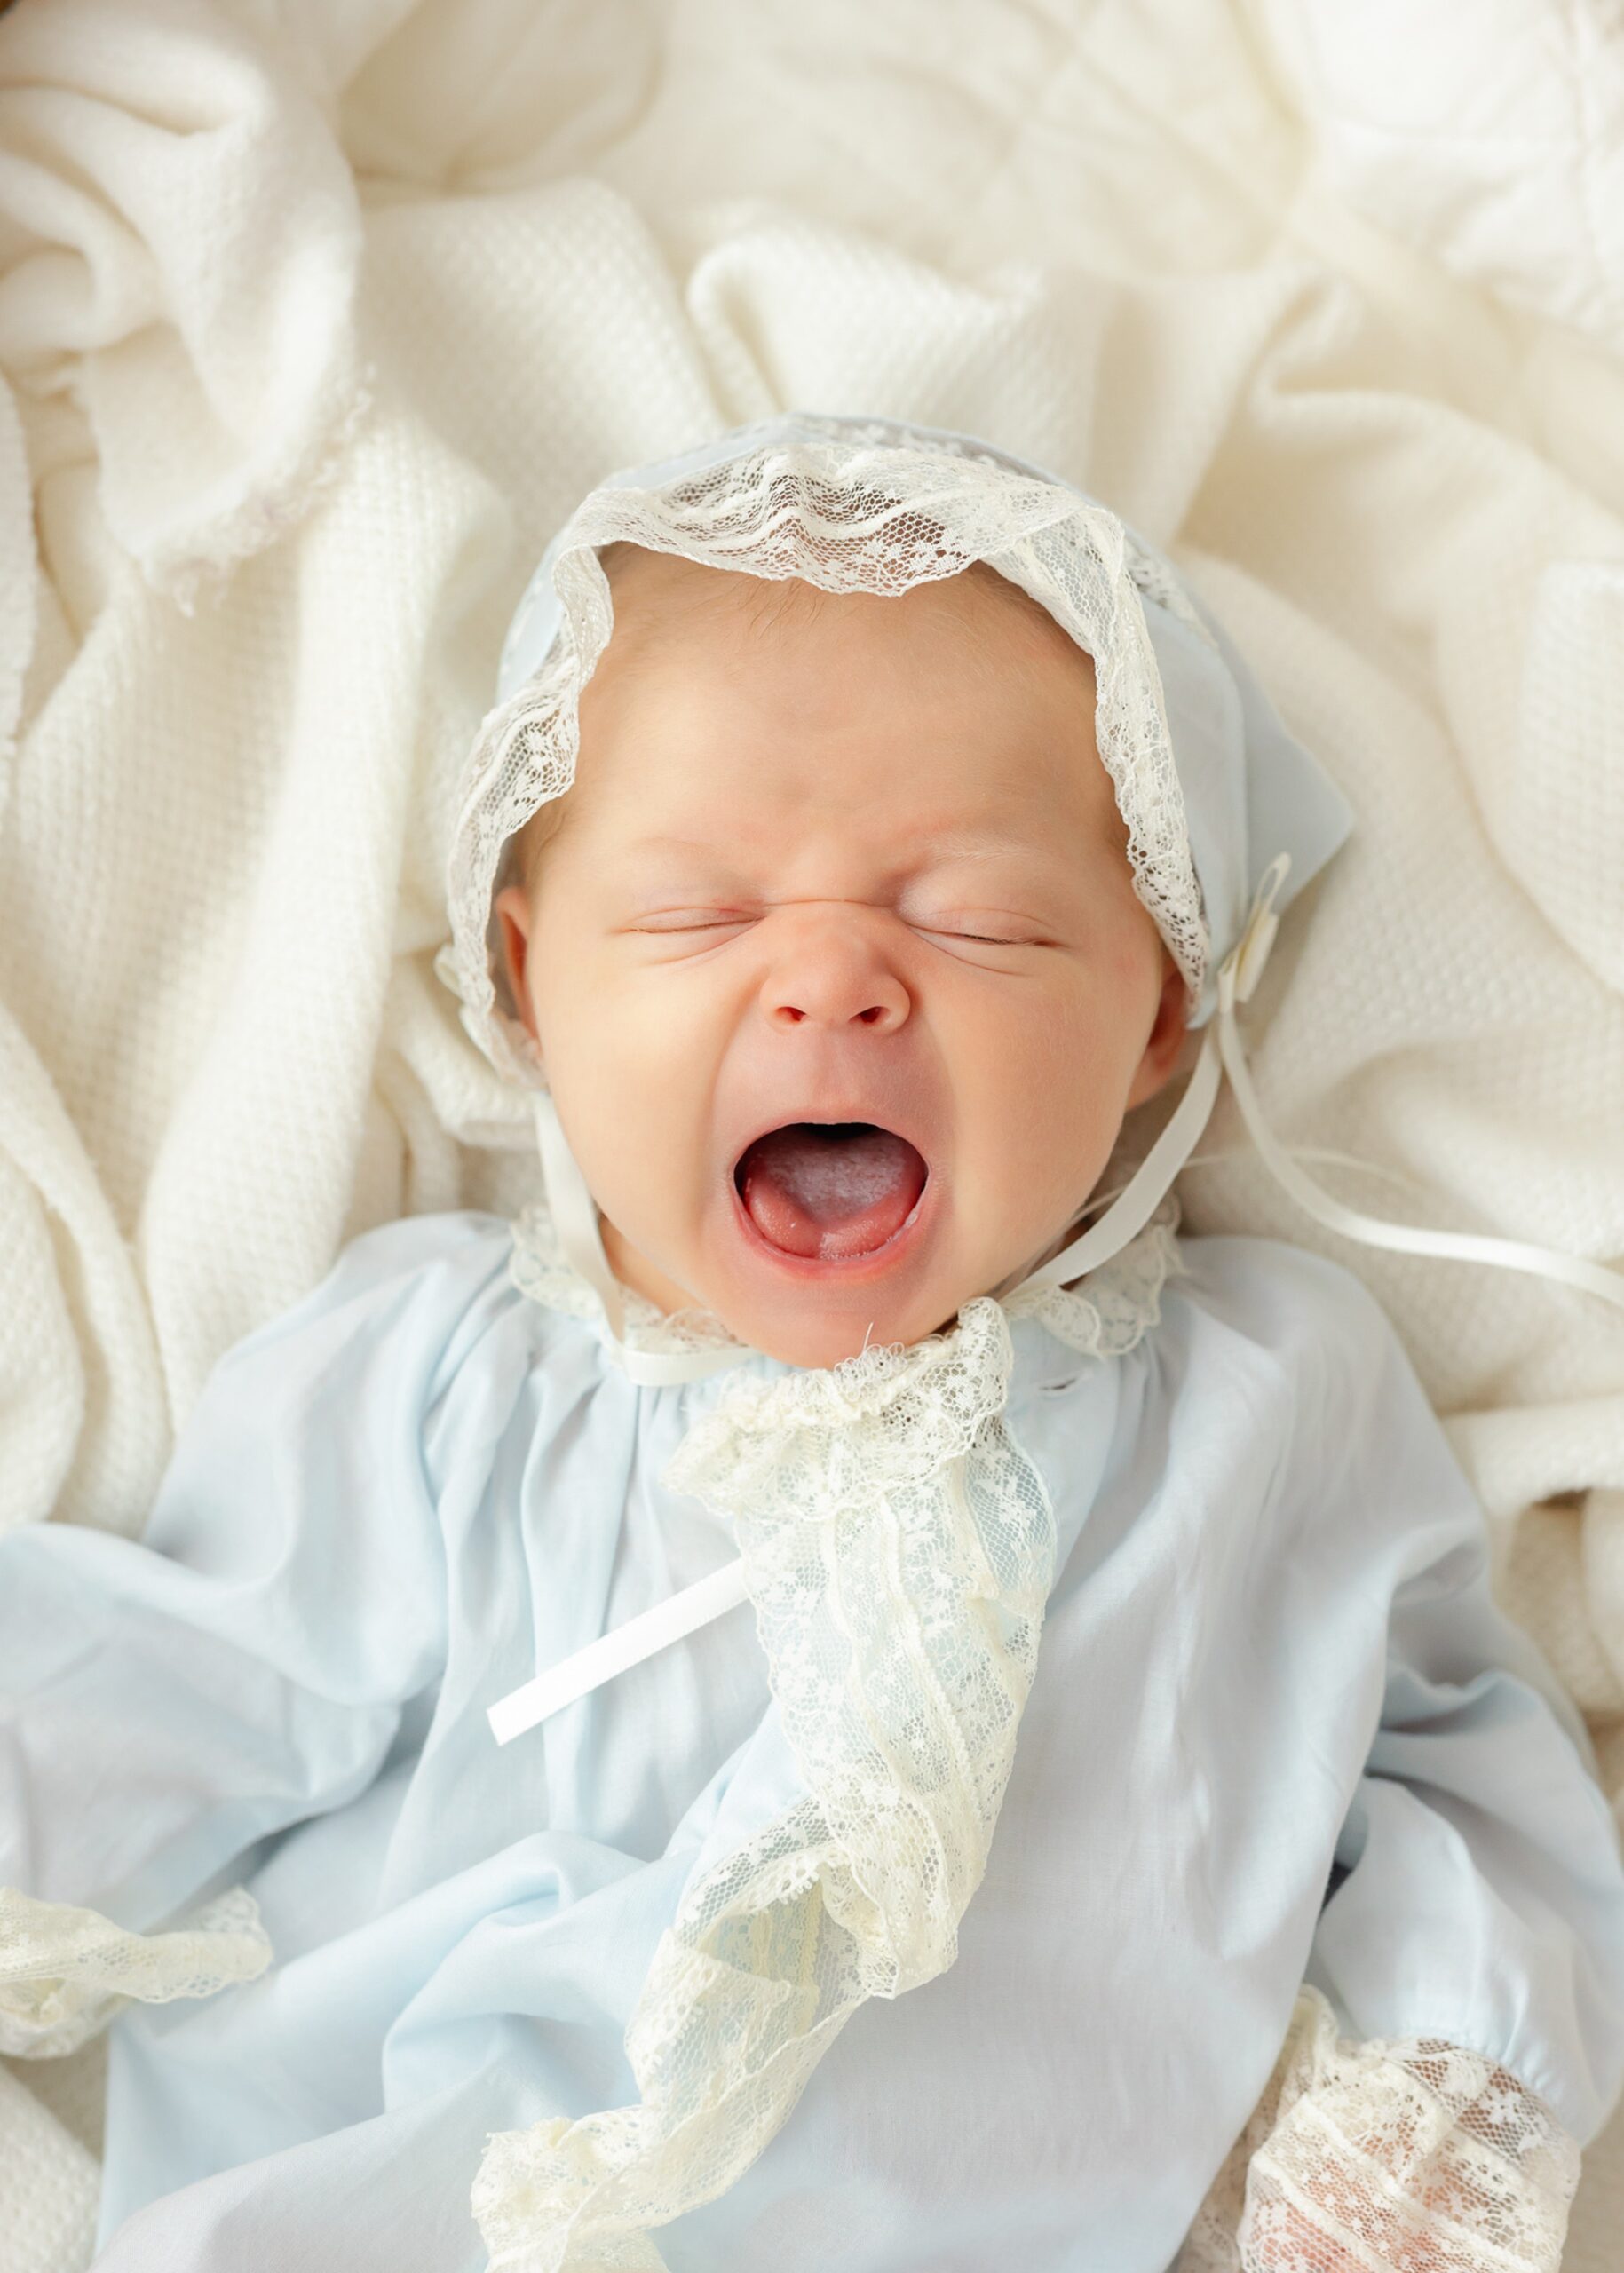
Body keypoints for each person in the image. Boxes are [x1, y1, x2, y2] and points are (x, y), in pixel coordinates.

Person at [4, 414, 1622, 2273]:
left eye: (983, 918)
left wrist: (1432, 2096)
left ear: (1160, 1009)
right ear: (528, 985)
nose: (832, 972)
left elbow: (1463, 1770)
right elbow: (173, 1675)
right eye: (697, 910)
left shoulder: (1256, 1404)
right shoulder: (444, 1381)